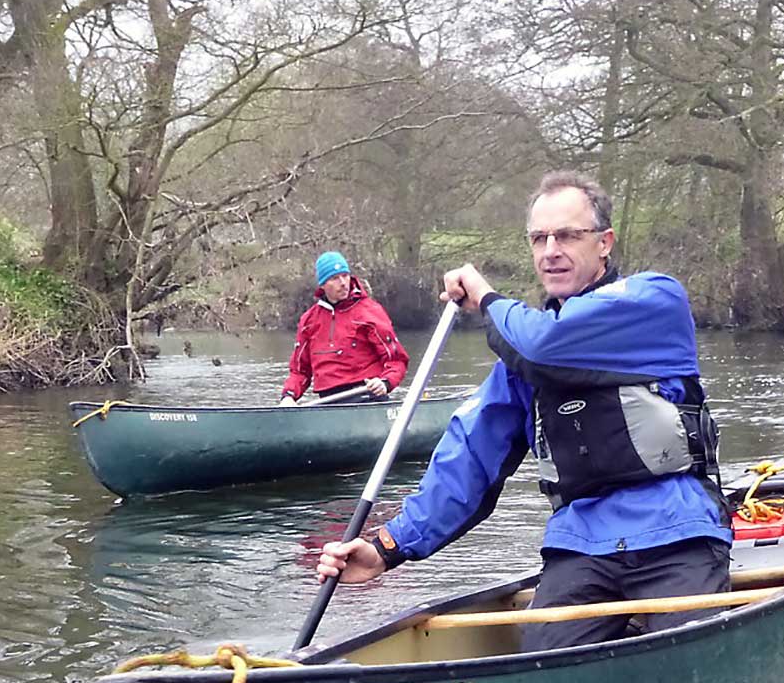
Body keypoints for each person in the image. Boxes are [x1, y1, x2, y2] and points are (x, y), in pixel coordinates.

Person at [315, 170, 730, 651]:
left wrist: (485, 295)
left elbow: (545, 345)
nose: (551, 249)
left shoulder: (652, 301)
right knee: (542, 663)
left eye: (569, 235)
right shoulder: (523, 362)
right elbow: (470, 457)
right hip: (582, 543)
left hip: (677, 530)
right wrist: (387, 547)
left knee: (687, 652)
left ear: (604, 243)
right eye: (539, 238)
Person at [278, 251, 407, 406]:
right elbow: (300, 370)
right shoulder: (309, 320)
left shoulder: (370, 311)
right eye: (335, 278)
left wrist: (385, 383)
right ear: (323, 284)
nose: (343, 282)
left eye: (345, 275)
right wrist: (288, 396)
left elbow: (396, 360)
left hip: (367, 397)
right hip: (328, 401)